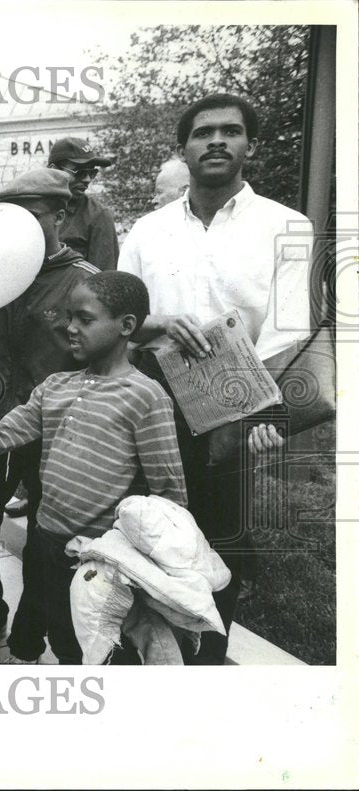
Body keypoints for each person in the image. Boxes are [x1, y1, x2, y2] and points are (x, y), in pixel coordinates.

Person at [0, 271, 188, 664]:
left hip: (99, 561)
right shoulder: (55, 387)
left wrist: (143, 570)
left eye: (85, 319)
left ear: (127, 326)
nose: (71, 328)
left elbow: (169, 498)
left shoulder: (147, 398)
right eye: (69, 317)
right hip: (47, 545)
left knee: (91, 652)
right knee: (58, 633)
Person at [119, 93, 311, 663]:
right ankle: (143, 653)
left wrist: (265, 410)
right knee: (148, 522)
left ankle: (205, 659)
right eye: (204, 133)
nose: (218, 141)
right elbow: (119, 314)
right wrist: (158, 322)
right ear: (185, 147)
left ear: (250, 144)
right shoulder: (148, 231)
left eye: (232, 131)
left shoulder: (286, 225)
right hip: (154, 394)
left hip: (238, 396)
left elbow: (288, 329)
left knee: (220, 533)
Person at [0, 169, 99, 655]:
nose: (23, 230)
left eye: (34, 217)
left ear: (62, 213)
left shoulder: (84, 282)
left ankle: (31, 635)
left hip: (55, 437)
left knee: (41, 544)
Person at [48, 137, 119, 271]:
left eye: (92, 172)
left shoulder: (98, 216)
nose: (87, 179)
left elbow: (103, 279)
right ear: (54, 170)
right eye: (79, 172)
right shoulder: (33, 208)